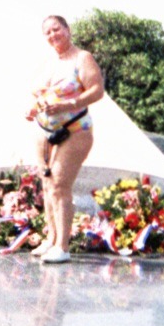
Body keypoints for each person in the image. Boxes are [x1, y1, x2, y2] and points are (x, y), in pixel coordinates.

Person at [26, 14, 105, 264]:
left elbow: (97, 91)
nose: (53, 35)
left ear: (67, 30)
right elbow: (39, 94)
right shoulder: (49, 63)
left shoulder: (82, 58)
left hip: (74, 130)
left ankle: (63, 246)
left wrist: (69, 104)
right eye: (47, 32)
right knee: (47, 184)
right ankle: (50, 238)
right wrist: (33, 107)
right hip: (45, 129)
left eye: (56, 29)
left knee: (60, 184)